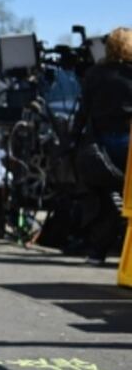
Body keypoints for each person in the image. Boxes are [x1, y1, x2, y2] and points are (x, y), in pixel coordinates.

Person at [76, 26, 132, 265]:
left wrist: (72, 141)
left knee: (101, 198)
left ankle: (97, 251)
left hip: (102, 143)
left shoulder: (95, 74)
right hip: (129, 140)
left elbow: (84, 111)